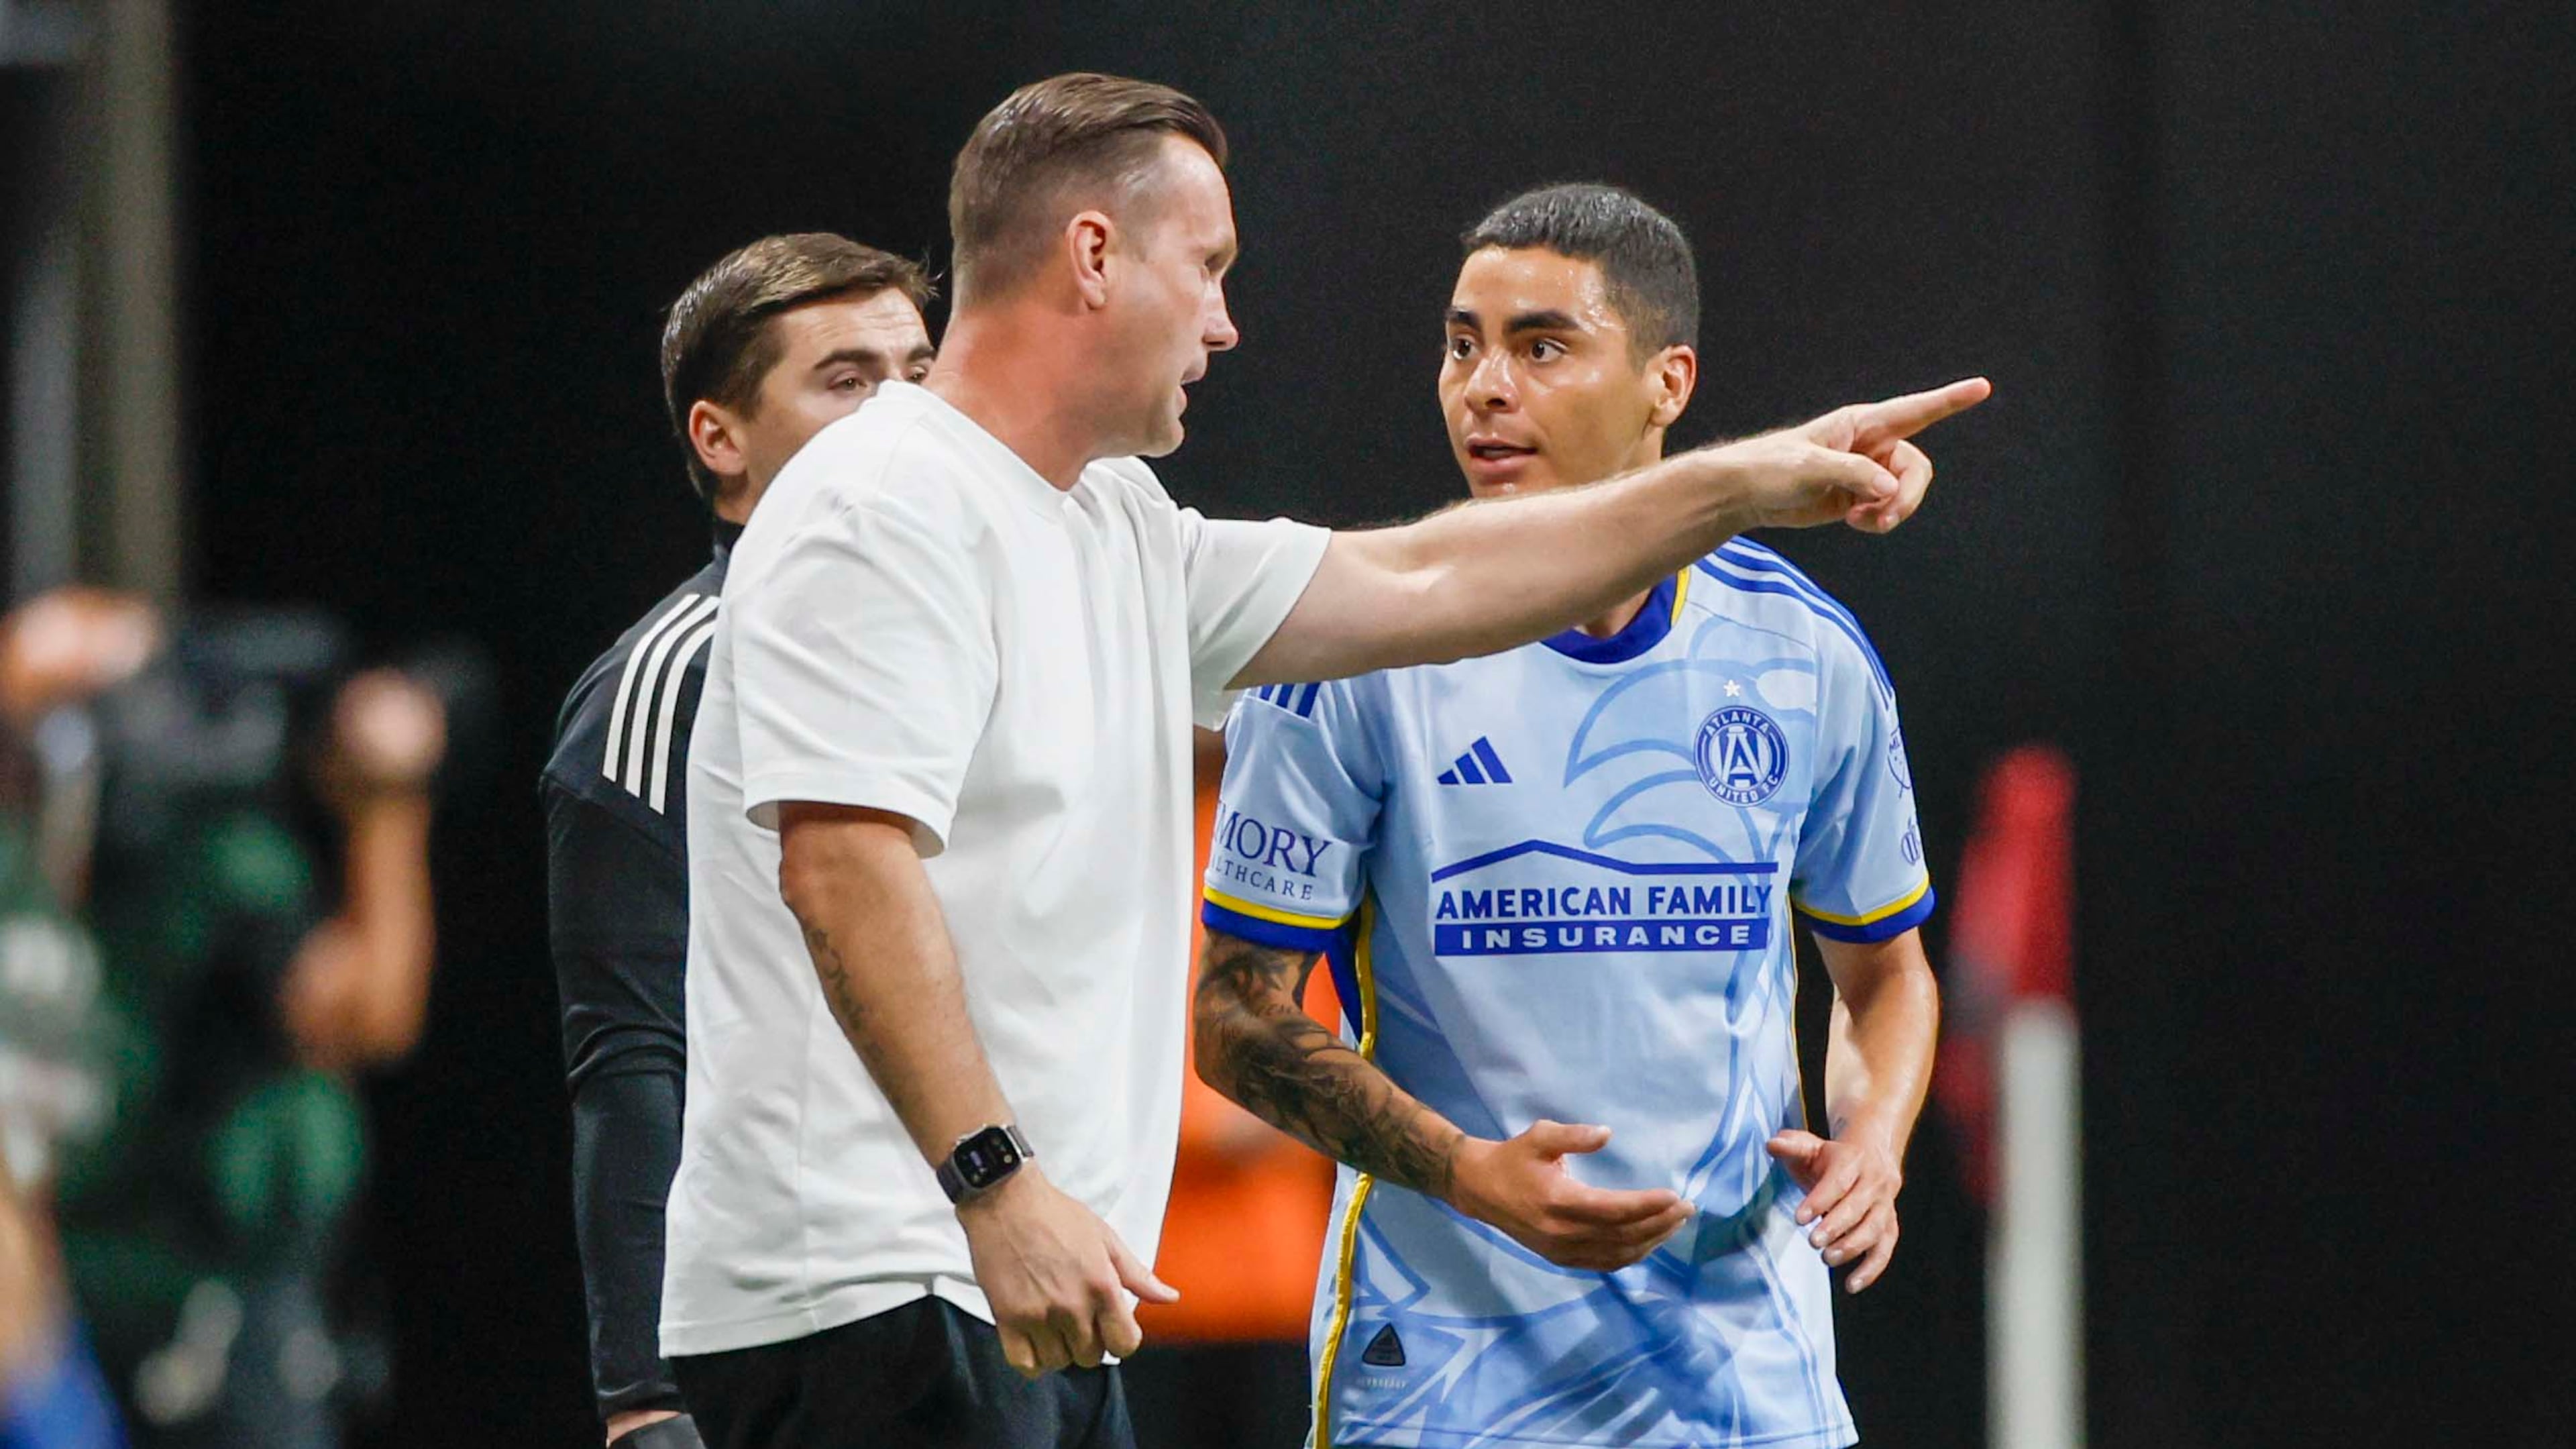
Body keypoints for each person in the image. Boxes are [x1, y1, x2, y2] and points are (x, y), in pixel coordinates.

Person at [661, 72, 1984, 1449]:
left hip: (1029, 1280)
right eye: (1208, 266)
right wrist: (993, 1182)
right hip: (881, 1281)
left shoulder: (1110, 520)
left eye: (1540, 347)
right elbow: (841, 868)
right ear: (1094, 256)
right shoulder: (882, 498)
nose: (1225, 321)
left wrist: (1756, 479)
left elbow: (1421, 580)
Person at [1193, 183, 1943, 1449]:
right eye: (1461, 345)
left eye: (1541, 347)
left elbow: (1884, 976)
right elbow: (1233, 1018)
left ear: (1668, 383)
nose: (1484, 388)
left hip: (1741, 1371)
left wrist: (1874, 1138)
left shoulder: (1801, 653)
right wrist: (1469, 1175)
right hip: (1445, 1374)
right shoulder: (1349, 651)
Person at [541, 234, 935, 1448]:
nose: (903, 416)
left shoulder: (978, 636)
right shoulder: (670, 683)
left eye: (920, 375)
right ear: (720, 438)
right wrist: (643, 1393)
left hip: (1013, 1284)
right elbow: (632, 1053)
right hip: (815, 1319)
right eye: (848, 380)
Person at [13, 588, 446, 1449]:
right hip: (60, 1301)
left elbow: (367, 1014)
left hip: (209, 1306)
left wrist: (386, 804)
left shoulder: (215, 864)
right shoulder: (19, 870)